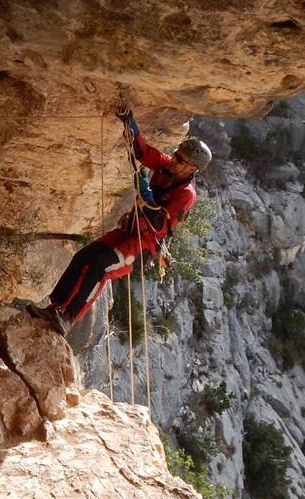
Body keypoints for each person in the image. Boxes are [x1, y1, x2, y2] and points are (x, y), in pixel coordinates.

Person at [28, 108, 212, 335]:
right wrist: (130, 122)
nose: (174, 159)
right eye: (175, 154)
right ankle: (55, 307)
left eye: (180, 160)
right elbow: (143, 152)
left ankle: (68, 318)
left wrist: (145, 192)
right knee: (83, 256)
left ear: (192, 169)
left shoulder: (186, 194)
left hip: (144, 243)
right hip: (131, 229)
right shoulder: (167, 166)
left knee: (101, 265)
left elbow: (158, 222)